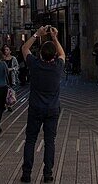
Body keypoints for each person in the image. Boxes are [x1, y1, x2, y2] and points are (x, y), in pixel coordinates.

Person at [20, 25, 65, 184]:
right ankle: (48, 174)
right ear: (53, 56)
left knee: (31, 140)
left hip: (35, 108)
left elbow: (25, 48)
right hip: (52, 109)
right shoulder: (58, 67)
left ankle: (27, 173)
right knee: (50, 141)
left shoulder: (35, 65)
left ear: (40, 54)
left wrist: (37, 34)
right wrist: (54, 37)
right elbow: (62, 54)